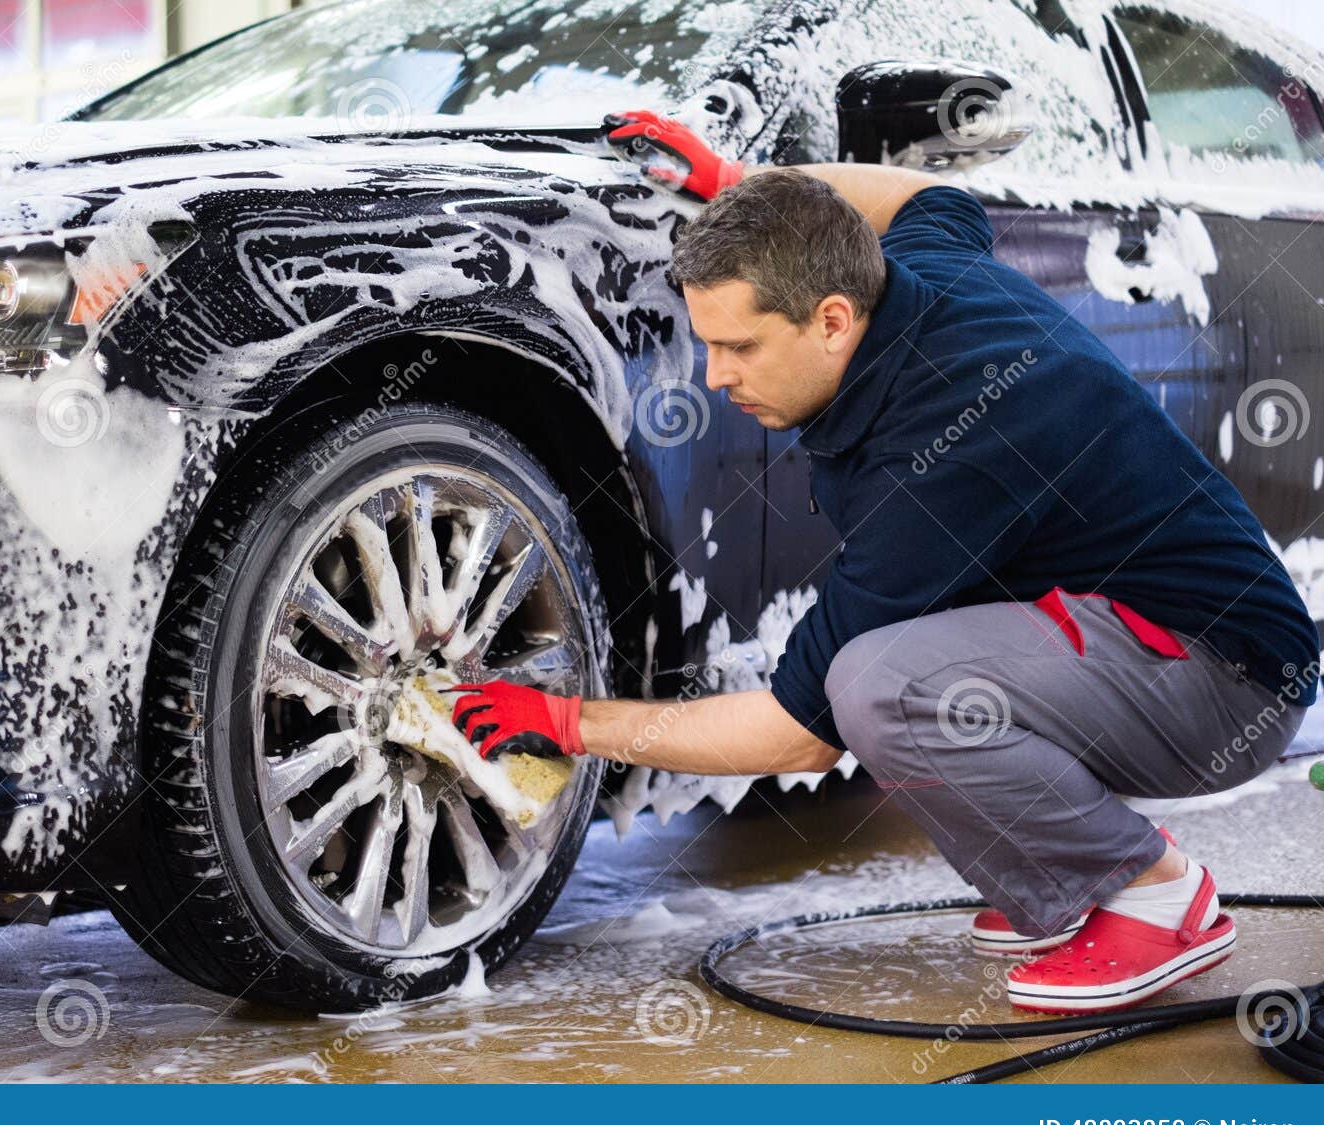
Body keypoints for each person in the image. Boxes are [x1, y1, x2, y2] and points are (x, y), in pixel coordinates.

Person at [445, 111, 1321, 1014]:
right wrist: (739, 180)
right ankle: (1063, 890)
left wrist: (567, 721)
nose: (714, 377)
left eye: (739, 346)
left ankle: (1155, 893)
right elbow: (930, 195)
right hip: (1142, 636)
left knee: (876, 686)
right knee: (890, 671)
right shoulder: (913, 272)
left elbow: (800, 729)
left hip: (1227, 685)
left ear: (831, 320)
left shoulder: (943, 456)